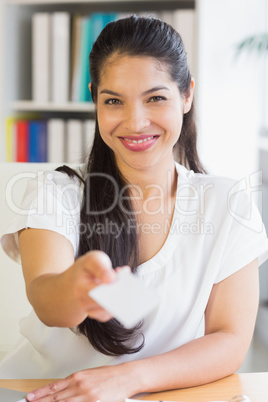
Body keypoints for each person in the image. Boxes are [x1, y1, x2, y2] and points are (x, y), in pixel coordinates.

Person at [1, 14, 268, 402]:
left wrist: (128, 379)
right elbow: (47, 301)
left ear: (187, 95)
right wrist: (75, 288)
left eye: (156, 98)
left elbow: (229, 340)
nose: (135, 122)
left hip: (153, 394)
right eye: (114, 101)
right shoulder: (56, 190)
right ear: (94, 98)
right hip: (42, 393)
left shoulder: (227, 203)